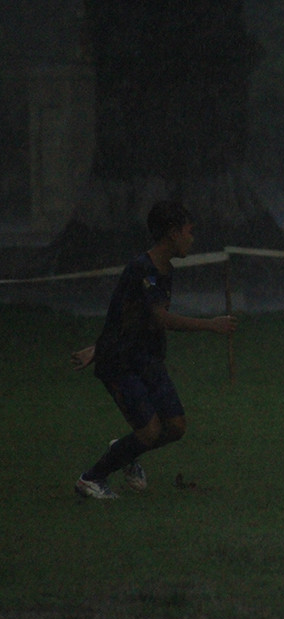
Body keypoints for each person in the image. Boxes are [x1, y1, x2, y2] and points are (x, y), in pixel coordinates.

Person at [73, 201, 237, 499]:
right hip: (121, 363)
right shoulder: (141, 269)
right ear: (173, 233)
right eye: (189, 231)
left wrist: (96, 345)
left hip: (147, 359)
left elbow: (131, 319)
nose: (192, 238)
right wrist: (210, 325)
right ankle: (91, 479)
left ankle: (124, 451)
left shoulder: (164, 270)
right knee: (149, 432)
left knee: (175, 426)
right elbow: (159, 318)